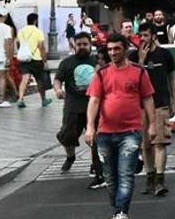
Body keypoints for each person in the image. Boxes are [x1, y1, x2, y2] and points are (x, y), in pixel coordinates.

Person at [85, 34, 157, 219]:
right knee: (110, 178)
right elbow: (94, 101)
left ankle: (122, 212)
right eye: (109, 49)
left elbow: (148, 99)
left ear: (125, 49)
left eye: (117, 49)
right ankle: (118, 209)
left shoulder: (139, 72)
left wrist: (152, 125)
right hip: (105, 132)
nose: (113, 53)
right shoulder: (101, 74)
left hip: (130, 132)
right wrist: (90, 127)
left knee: (126, 174)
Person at [54, 32, 106, 189]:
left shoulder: (98, 60)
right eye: (79, 45)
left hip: (94, 106)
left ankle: (96, 167)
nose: (82, 47)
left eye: (85, 44)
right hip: (73, 106)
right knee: (67, 136)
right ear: (74, 46)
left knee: (96, 140)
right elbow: (57, 80)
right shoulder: (67, 63)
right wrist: (57, 90)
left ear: (90, 45)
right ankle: (70, 157)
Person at [129, 23, 175, 197]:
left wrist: (173, 100)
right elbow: (133, 80)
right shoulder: (133, 56)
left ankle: (159, 180)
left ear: (154, 36)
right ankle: (149, 178)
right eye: (140, 35)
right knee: (145, 145)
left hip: (160, 102)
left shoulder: (164, 54)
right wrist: (141, 60)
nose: (142, 39)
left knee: (160, 142)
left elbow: (171, 76)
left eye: (146, 35)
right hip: (140, 106)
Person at [17, 13, 51, 108]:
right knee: (40, 80)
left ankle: (20, 99)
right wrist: (44, 60)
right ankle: (44, 100)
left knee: (24, 79)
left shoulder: (21, 31)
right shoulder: (38, 31)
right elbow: (41, 47)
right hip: (36, 59)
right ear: (35, 21)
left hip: (24, 59)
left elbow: (19, 44)